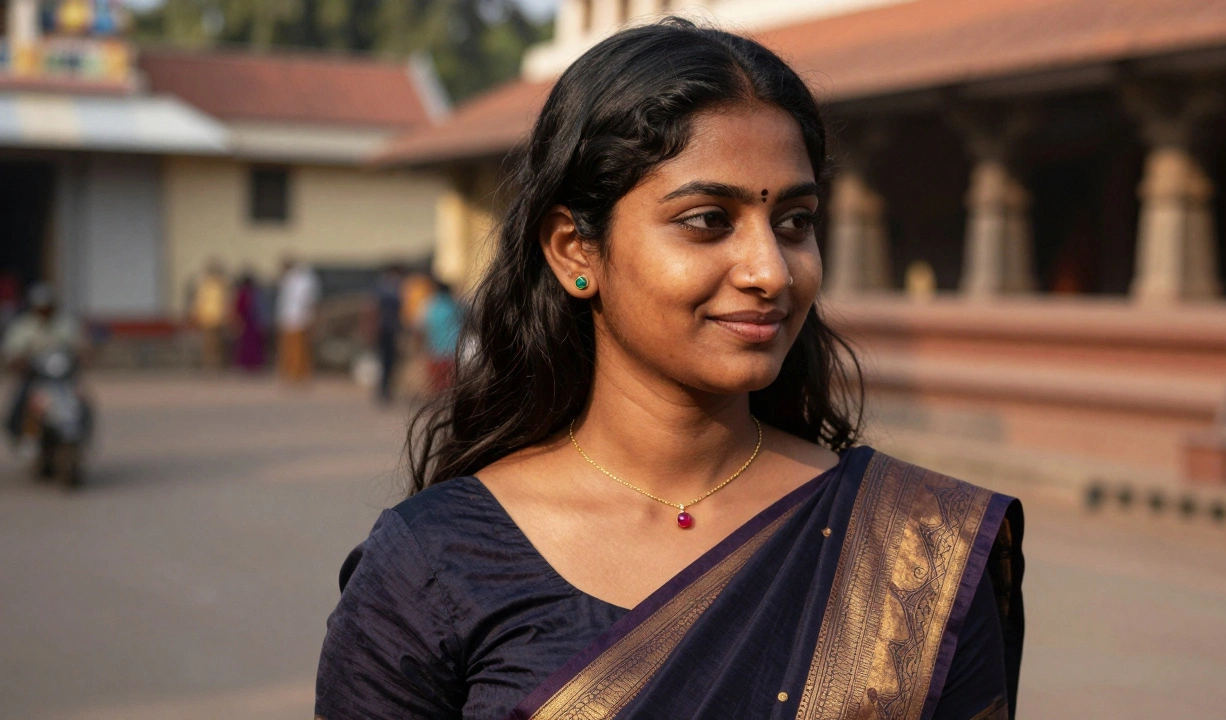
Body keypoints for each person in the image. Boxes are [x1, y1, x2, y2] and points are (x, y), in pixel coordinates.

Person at [316, 20, 1024, 720]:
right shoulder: (434, 560)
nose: (770, 272)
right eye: (708, 219)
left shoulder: (914, 548)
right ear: (574, 252)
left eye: (796, 222)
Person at [4, 284, 86, 456]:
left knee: (83, 401)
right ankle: (24, 436)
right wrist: (17, 361)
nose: (45, 311)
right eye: (41, 308)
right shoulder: (24, 326)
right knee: (22, 399)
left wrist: (84, 354)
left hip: (62, 375)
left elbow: (80, 344)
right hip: (36, 375)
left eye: (48, 308)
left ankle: (85, 435)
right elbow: (12, 350)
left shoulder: (65, 323)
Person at [275, 256, 320, 384]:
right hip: (288, 318)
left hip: (300, 318)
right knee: (288, 349)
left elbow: (308, 300)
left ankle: (298, 374)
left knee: (299, 350)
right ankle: (290, 373)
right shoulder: (288, 279)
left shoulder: (303, 279)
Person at [415, 274, 460, 394]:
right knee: (450, 380)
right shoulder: (455, 305)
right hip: (452, 348)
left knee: (436, 381)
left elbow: (420, 326)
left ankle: (437, 400)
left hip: (434, 347)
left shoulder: (429, 304)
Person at [372, 265, 404, 403]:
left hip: (390, 329)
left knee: (390, 361)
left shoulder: (388, 287)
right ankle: (384, 389)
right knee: (386, 361)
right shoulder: (390, 289)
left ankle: (386, 389)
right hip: (386, 329)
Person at [191, 260, 230, 371]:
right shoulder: (215, 285)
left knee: (214, 344)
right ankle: (211, 366)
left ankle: (213, 365)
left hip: (212, 317)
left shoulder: (215, 285)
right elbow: (201, 302)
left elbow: (201, 302)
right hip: (212, 317)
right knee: (211, 344)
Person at [232, 270, 266, 371]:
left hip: (251, 322)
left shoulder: (251, 293)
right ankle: (248, 364)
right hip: (248, 322)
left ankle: (253, 364)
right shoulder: (248, 293)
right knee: (247, 344)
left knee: (252, 344)